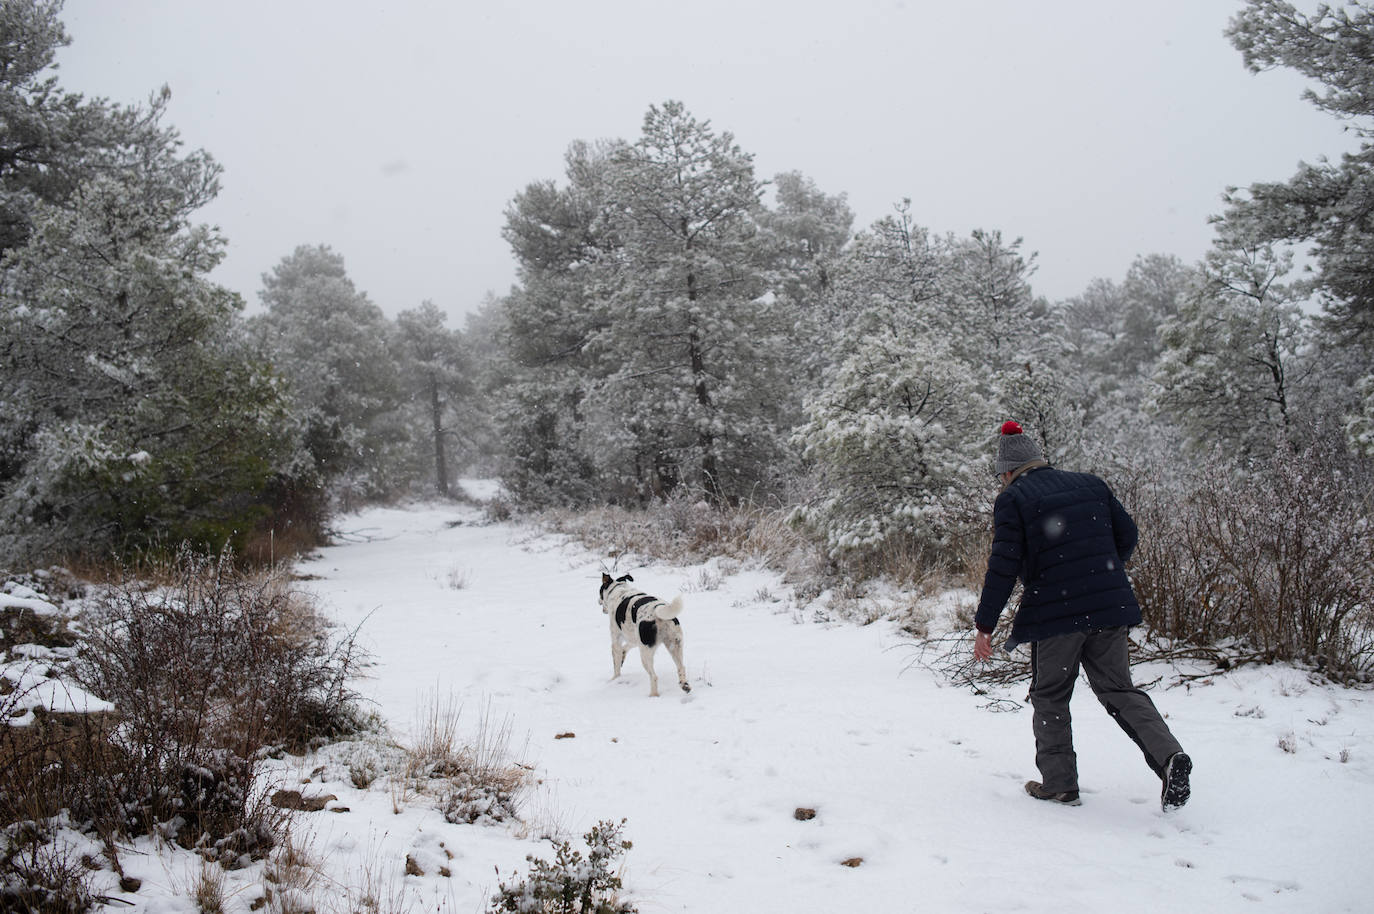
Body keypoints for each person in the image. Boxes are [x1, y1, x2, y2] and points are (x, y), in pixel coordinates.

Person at [973, 420, 1191, 811]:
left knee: (1050, 695)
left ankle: (1059, 785)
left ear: (1007, 471)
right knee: (1119, 690)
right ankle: (1170, 757)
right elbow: (1128, 536)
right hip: (1109, 606)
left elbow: (1003, 566)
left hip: (1057, 615)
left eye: (1000, 475)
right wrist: (1101, 573)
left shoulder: (1014, 499)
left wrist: (985, 625)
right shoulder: (1091, 484)